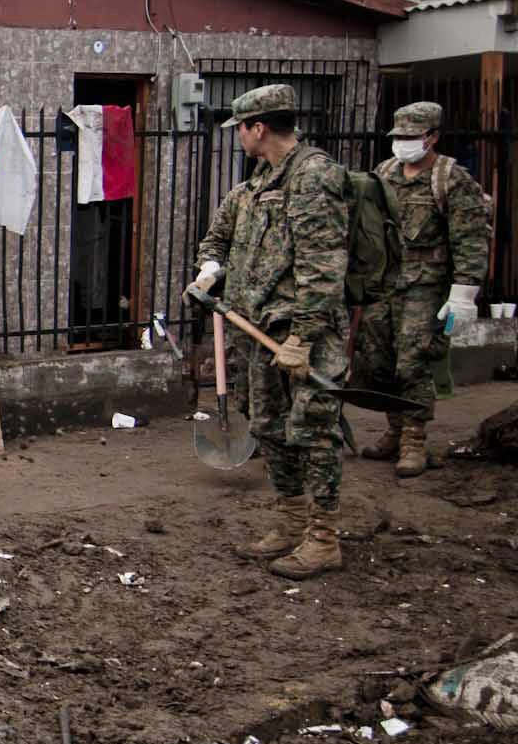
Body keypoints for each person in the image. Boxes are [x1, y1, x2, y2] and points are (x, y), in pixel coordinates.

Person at [188, 85, 350, 580]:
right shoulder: (254, 187)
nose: (238, 137)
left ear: (257, 127)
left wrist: (303, 338)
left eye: (240, 128)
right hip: (255, 332)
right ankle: (290, 520)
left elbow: (324, 265)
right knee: (269, 428)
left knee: (314, 432)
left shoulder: (314, 176)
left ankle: (323, 538)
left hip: (301, 336)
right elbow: (217, 237)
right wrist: (209, 272)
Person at [352, 101, 491, 477]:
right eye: (399, 137)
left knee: (414, 360)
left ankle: (414, 438)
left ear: (432, 137)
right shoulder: (384, 173)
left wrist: (463, 293)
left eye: (412, 137)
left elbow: (471, 238)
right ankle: (394, 430)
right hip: (385, 282)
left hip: (426, 285)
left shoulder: (451, 179)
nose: (404, 144)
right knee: (377, 358)